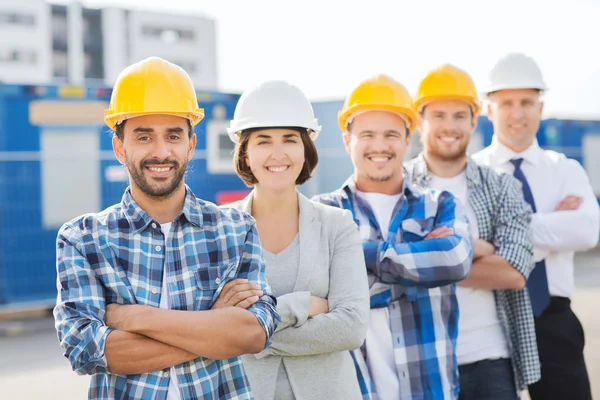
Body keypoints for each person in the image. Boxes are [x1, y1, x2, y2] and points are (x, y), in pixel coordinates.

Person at [53, 57, 280, 400]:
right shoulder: (83, 240)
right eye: (144, 137)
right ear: (119, 147)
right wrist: (214, 324)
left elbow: (254, 334)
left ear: (190, 145)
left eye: (173, 136)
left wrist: (136, 317)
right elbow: (89, 352)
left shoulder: (236, 230)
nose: (161, 152)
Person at [313, 74, 473, 400]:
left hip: (431, 390)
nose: (380, 146)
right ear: (347, 140)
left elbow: (455, 260)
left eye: (391, 135)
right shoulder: (321, 213)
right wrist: (417, 266)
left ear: (407, 138)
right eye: (367, 135)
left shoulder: (439, 204)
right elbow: (315, 304)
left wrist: (357, 261)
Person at [218, 80, 370, 400]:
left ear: (305, 149)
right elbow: (210, 326)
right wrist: (299, 306)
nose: (278, 153)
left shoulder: (337, 226)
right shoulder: (218, 228)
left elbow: (352, 326)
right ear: (245, 154)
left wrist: (250, 334)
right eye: (263, 141)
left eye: (289, 139)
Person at [404, 63, 540, 399]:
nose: (449, 126)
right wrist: (477, 248)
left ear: (474, 121)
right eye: (438, 115)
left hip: (490, 360)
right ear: (420, 121)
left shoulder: (501, 187)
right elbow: (385, 264)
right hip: (418, 357)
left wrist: (429, 258)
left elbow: (514, 273)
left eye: (459, 116)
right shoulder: (398, 186)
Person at [473, 52, 600, 400]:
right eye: (507, 102)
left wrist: (504, 235)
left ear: (540, 108)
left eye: (527, 102)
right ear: (489, 110)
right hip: (488, 317)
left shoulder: (565, 169)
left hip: (554, 319)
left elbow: (588, 231)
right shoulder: (471, 173)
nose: (518, 113)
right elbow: (465, 244)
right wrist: (554, 224)